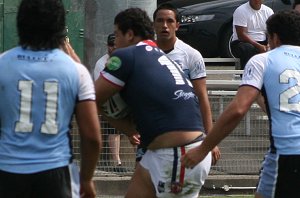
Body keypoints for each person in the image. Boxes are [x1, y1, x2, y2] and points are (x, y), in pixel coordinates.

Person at [181, 10, 300, 198]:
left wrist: (203, 149)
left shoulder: (263, 60)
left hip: (288, 152)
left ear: (274, 37)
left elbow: (238, 109)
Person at [95, 7, 212, 198]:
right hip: (161, 152)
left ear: (130, 34)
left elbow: (88, 97)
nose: (114, 42)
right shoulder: (158, 56)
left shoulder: (126, 56)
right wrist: (129, 129)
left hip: (178, 154)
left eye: (117, 35)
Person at [0, 0, 101, 197]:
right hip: (56, 172)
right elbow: (92, 137)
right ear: (60, 27)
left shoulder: (2, 64)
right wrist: (86, 179)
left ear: (20, 23)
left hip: (8, 170)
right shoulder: (75, 70)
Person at [153, 2, 221, 165]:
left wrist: (210, 140)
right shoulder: (144, 53)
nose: (165, 25)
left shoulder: (191, 55)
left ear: (177, 25)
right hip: (153, 130)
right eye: (160, 21)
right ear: (153, 24)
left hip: (185, 129)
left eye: (169, 21)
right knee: (147, 183)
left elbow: (202, 98)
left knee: (182, 184)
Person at [94, 33, 127, 172]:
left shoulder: (125, 59)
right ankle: (116, 163)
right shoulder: (101, 63)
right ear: (107, 46)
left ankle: (140, 159)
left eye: (116, 45)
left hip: (126, 100)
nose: (113, 48)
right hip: (110, 103)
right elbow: (101, 88)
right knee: (114, 130)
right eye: (111, 45)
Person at [230, 0, 274, 70]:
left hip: (262, 42)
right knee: (248, 49)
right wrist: (259, 46)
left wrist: (269, 44)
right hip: (241, 43)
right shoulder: (241, 10)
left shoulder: (269, 11)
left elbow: (271, 32)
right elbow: (241, 35)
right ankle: (247, 76)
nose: (257, 0)